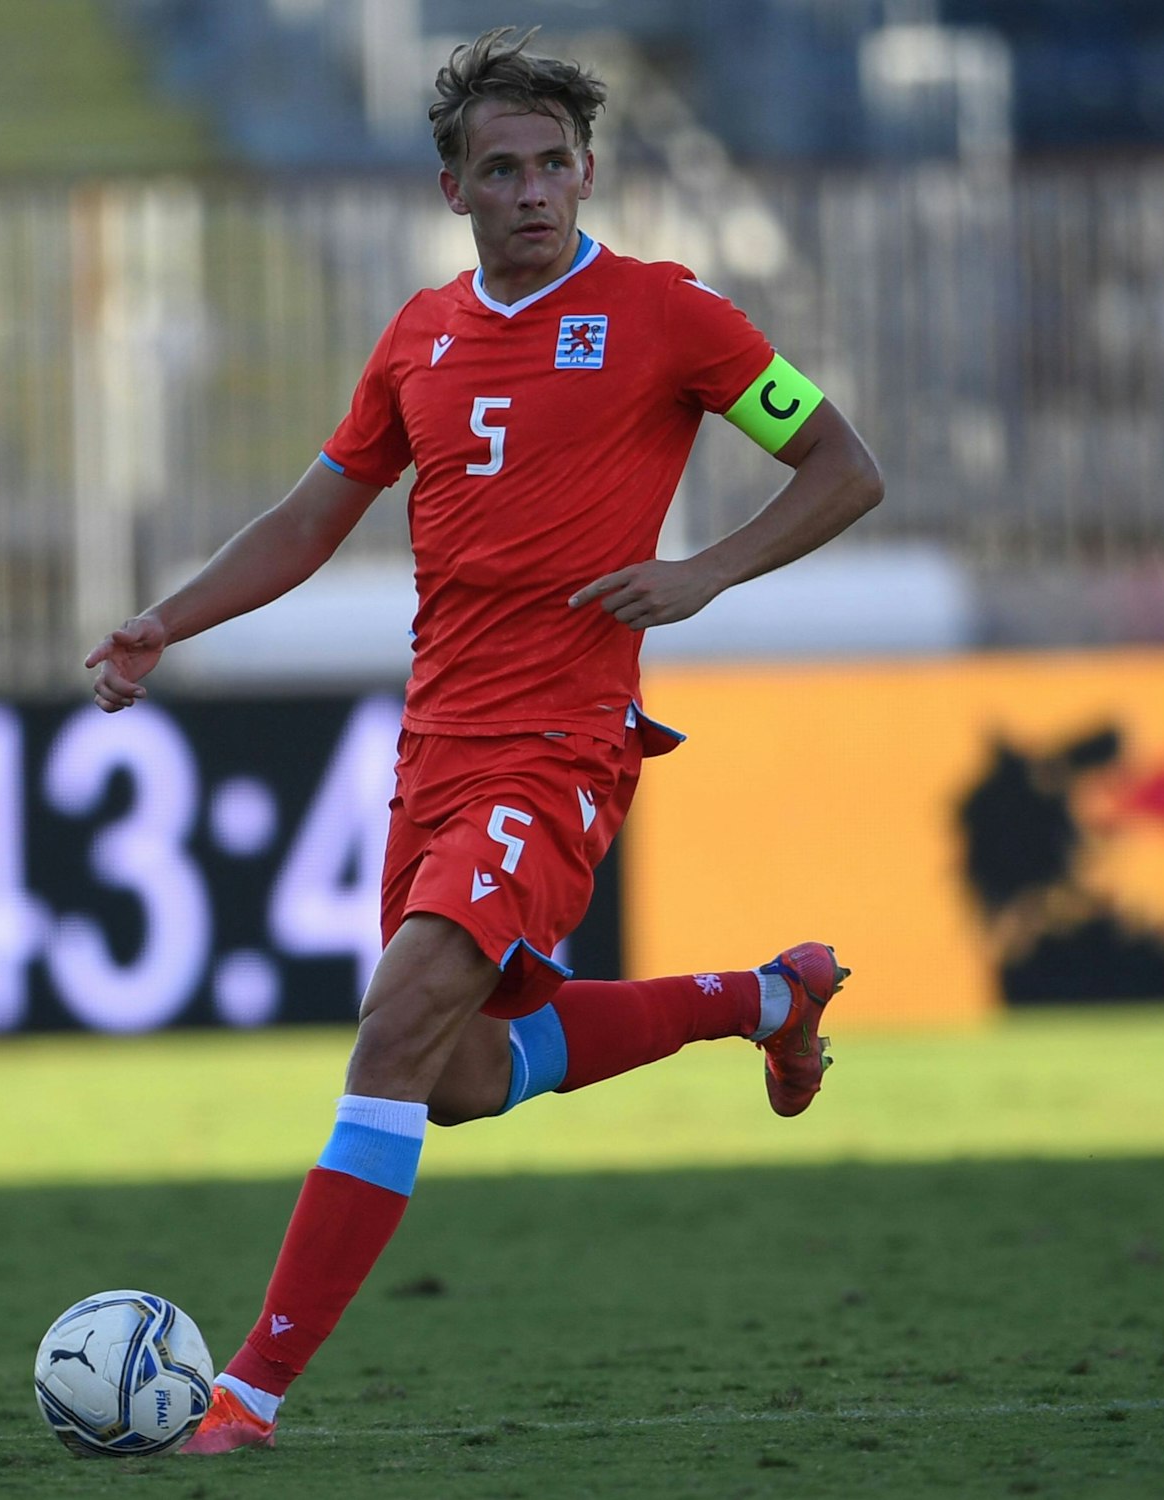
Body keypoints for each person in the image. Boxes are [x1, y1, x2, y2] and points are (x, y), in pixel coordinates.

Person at [84, 27, 883, 1453]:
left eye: (553, 165)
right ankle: (767, 999)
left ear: (587, 171)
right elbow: (313, 513)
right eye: (498, 169)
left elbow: (843, 465)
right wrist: (166, 620)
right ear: (454, 188)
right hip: (434, 748)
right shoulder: (419, 336)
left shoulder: (668, 316)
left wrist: (703, 573)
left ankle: (246, 1397)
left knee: (392, 1031)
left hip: (562, 743)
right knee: (453, 1076)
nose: (531, 190)